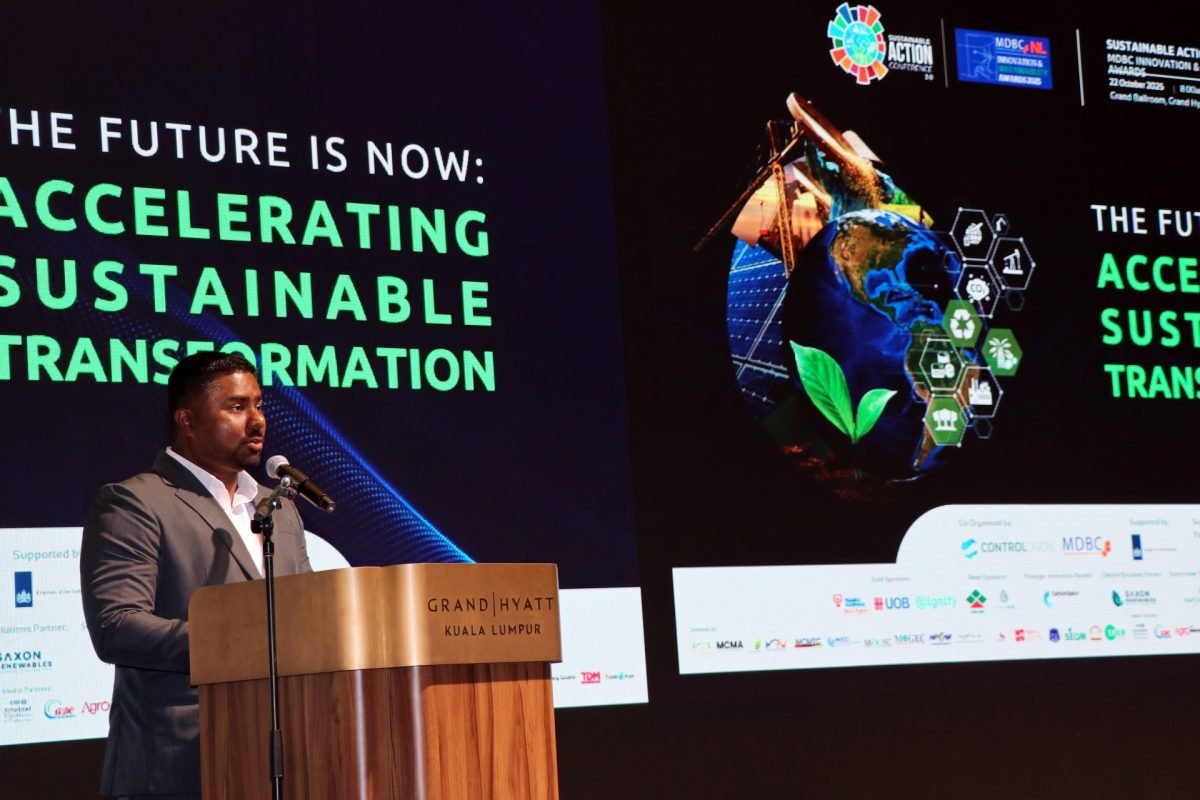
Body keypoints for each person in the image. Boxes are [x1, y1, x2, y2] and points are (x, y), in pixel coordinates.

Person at [80, 352, 312, 800]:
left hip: (282, 756)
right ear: (187, 419)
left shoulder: (279, 508)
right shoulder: (134, 502)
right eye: (236, 407)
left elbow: (304, 614)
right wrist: (248, 641)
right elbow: (117, 626)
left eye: (259, 405)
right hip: (177, 764)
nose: (257, 421)